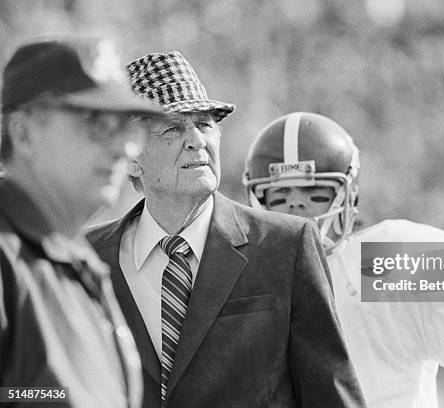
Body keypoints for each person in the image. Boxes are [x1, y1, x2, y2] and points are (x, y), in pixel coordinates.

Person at [87, 52, 366, 408]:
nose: (197, 141)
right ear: (131, 158)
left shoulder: (287, 247)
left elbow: (331, 397)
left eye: (204, 125)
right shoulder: (85, 258)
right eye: (173, 128)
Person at [243, 111, 444, 408]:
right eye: (280, 193)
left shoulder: (390, 262)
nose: (296, 205)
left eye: (313, 190)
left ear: (348, 196)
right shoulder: (244, 276)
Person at [0, 38, 163, 407]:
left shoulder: (80, 261)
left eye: (127, 128)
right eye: (98, 124)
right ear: (24, 133)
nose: (123, 148)